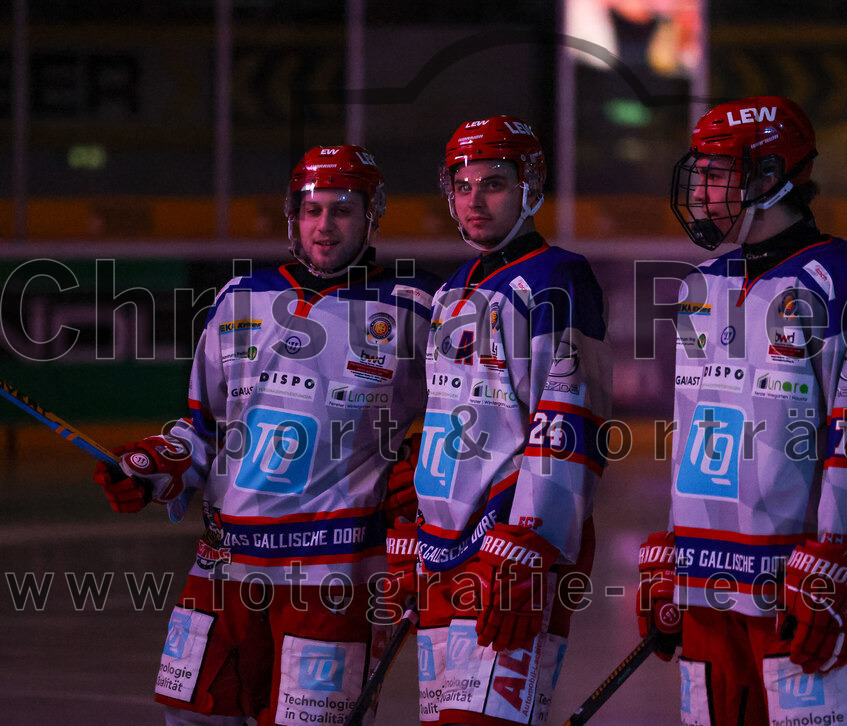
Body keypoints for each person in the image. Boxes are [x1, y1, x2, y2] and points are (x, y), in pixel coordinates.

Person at [93, 145, 438, 725]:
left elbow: (465, 419)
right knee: (193, 715)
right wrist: (158, 462)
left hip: (337, 569)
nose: (324, 226)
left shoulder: (419, 306)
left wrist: (422, 470)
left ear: (372, 215)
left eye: (342, 210)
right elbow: (203, 428)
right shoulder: (237, 299)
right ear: (292, 217)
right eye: (311, 210)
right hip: (224, 561)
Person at [636, 97, 847, 726]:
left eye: (715, 173)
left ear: (768, 176)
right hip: (709, 586)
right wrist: (679, 543)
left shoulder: (843, 281)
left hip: (808, 591)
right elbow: (697, 434)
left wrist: (844, 556)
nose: (699, 190)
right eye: (698, 172)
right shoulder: (698, 287)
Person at [386, 116, 612, 725]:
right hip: (444, 547)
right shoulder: (452, 290)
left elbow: (570, 416)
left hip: (514, 542)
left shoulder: (557, 277)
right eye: (462, 186)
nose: (475, 200)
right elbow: (446, 415)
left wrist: (533, 540)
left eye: (494, 183)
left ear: (529, 187)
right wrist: (416, 519)